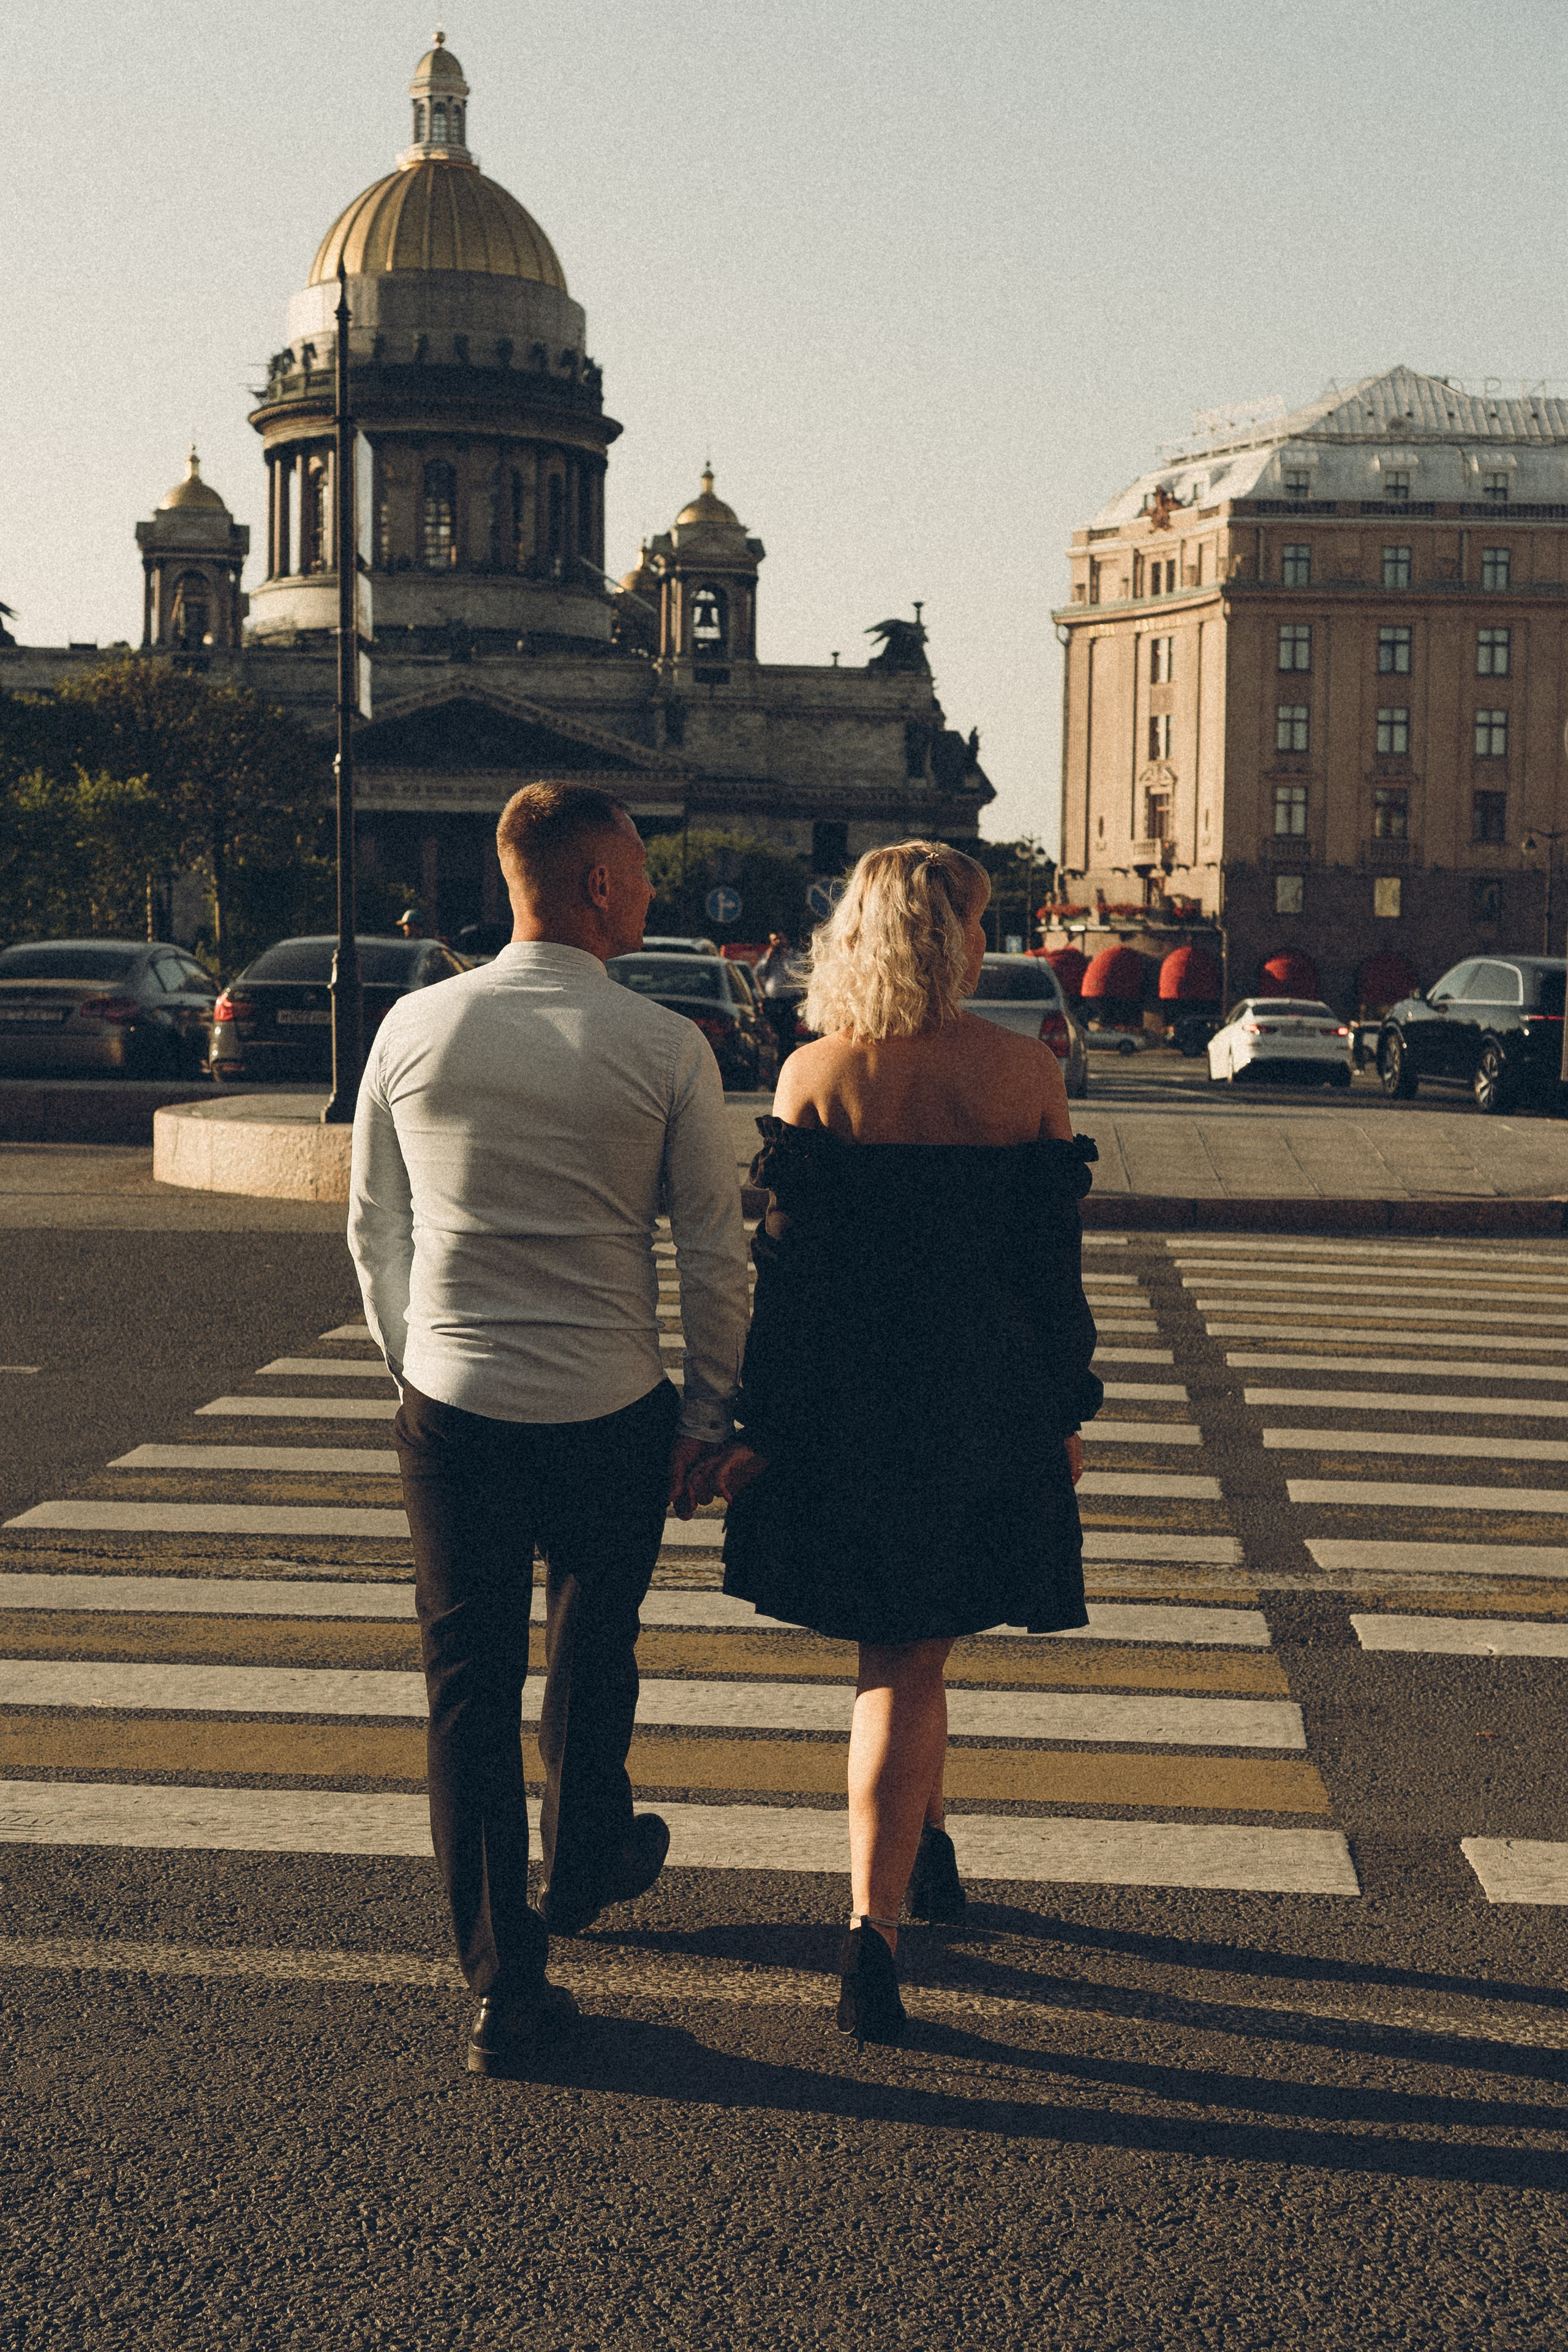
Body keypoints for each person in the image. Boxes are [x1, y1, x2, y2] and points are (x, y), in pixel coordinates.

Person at [349, 782, 750, 2078]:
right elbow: (714, 1252)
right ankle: (584, 1862)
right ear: (596, 886)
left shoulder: (414, 1026)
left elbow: (375, 1228)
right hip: (609, 1407)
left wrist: (416, 1362)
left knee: (466, 1686)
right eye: (639, 870)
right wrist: (708, 1412)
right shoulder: (663, 1046)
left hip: (453, 1405)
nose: (651, 889)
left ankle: (503, 1979)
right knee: (595, 1641)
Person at [692, 840, 1100, 2045]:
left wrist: (759, 1428)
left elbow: (787, 1283)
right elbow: (1050, 1278)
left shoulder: (816, 1072)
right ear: (952, 940)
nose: (983, 942)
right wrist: (1063, 1414)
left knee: (913, 1638)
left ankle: (927, 1845)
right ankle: (870, 1930)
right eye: (976, 924)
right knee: (911, 1656)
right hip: (983, 1400)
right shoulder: (1024, 1073)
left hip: (851, 1405)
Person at [755, 930, 802, 1061]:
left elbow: (797, 973)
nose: (779, 942)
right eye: (775, 940)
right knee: (776, 1030)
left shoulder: (794, 955)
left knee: (788, 1031)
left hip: (789, 1000)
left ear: (786, 939)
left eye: (781, 939)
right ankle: (779, 1056)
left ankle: (787, 1057)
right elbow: (757, 973)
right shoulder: (769, 955)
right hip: (773, 1001)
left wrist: (785, 958)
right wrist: (768, 959)